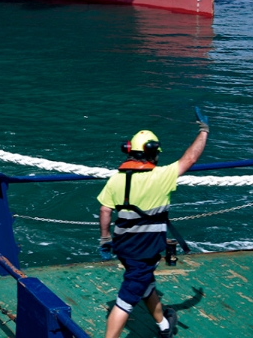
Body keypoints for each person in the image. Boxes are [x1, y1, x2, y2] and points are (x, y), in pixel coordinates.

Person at [97, 113, 209, 338]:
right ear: (152, 153)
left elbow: (105, 210)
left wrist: (105, 238)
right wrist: (204, 131)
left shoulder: (116, 178)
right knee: (126, 299)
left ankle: (164, 325)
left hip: (123, 246)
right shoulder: (161, 176)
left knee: (145, 283)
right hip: (145, 249)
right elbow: (190, 158)